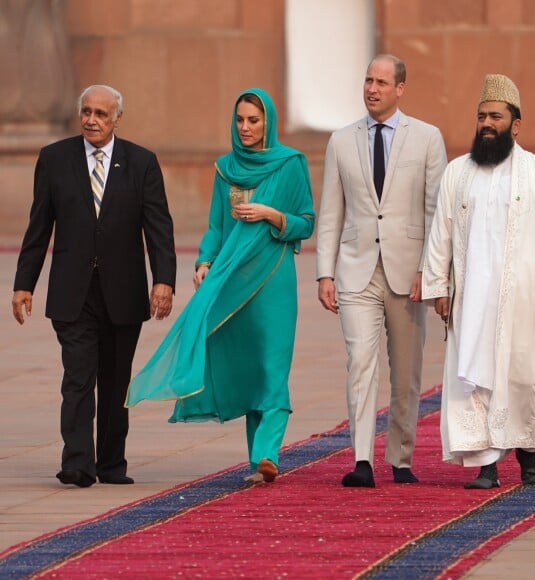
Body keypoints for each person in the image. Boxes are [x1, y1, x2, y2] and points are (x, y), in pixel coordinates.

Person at [126, 88, 315, 483]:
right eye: (240, 120)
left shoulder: (290, 164)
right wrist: (203, 261)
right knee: (249, 368)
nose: (245, 128)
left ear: (269, 123)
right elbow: (215, 226)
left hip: (273, 279)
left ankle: (268, 453)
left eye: (254, 120)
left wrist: (270, 214)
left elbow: (306, 222)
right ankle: (257, 463)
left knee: (272, 367)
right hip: (232, 281)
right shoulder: (225, 169)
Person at [12, 85, 177, 488]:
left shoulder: (141, 162)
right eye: (86, 111)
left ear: (117, 117)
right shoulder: (54, 159)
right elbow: (39, 227)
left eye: (101, 114)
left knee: (116, 381)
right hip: (73, 292)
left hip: (123, 293)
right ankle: (78, 463)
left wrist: (164, 280)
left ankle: (111, 464)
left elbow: (159, 228)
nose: (92, 120)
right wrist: (23, 284)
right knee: (78, 378)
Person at [422, 74, 535, 489]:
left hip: (523, 299)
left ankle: (528, 456)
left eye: (495, 116)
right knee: (476, 375)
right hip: (472, 301)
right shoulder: (458, 173)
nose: (486, 123)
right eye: (481, 116)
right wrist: (438, 286)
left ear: (516, 123)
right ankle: (486, 464)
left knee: (523, 376)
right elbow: (442, 232)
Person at [316, 54, 447, 487]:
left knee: (406, 370)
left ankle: (401, 458)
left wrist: (430, 272)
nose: (372, 88)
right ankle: (362, 460)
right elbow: (331, 212)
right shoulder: (340, 140)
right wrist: (324, 273)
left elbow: (436, 214)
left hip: (408, 274)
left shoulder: (427, 139)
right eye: (367, 80)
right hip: (356, 271)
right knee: (361, 363)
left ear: (400, 88)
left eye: (381, 82)